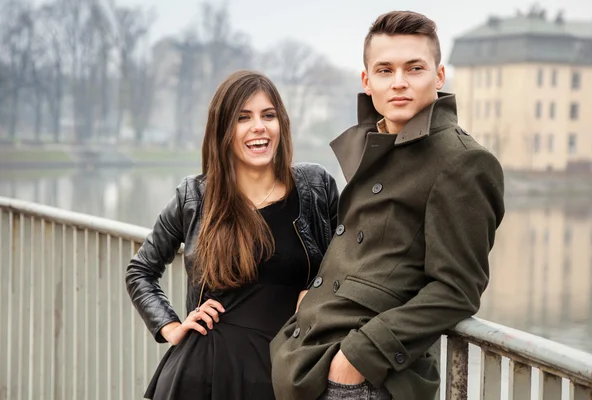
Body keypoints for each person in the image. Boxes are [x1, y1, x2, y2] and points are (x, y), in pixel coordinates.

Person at [270, 10, 505, 400]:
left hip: (365, 378)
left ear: (439, 75)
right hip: (309, 362)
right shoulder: (377, 146)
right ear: (367, 81)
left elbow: (457, 289)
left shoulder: (462, 161)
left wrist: (357, 358)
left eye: (414, 68)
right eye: (385, 70)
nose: (399, 83)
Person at [125, 70, 339, 400]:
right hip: (206, 371)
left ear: (281, 123)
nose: (259, 127)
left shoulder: (316, 187)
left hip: (289, 366)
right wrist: (171, 326)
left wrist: (314, 295)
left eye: (268, 115)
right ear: (224, 130)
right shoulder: (194, 197)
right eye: (243, 118)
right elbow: (140, 271)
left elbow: (350, 261)